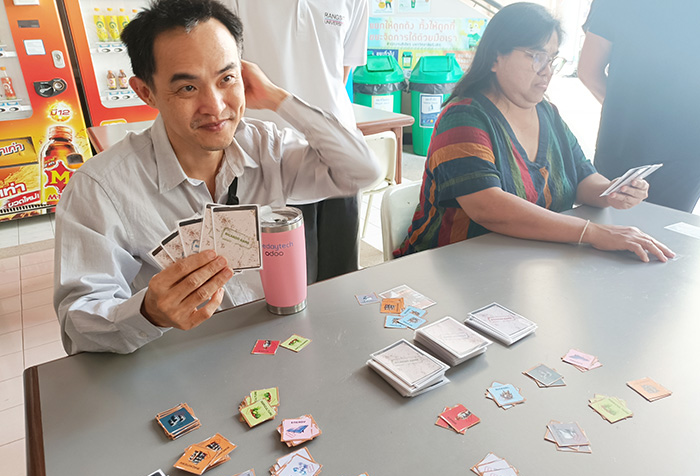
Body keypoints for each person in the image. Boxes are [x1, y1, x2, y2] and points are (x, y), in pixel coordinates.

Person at [53, 0, 381, 355]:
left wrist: (277, 98)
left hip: (269, 347)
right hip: (177, 363)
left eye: (226, 79)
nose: (216, 106)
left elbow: (363, 170)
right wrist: (147, 313)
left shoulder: (265, 147)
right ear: (146, 91)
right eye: (187, 88)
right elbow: (77, 325)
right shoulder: (100, 189)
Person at [394, 2, 674, 263]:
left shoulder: (547, 113)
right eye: (536, 57)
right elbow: (487, 206)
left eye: (552, 59)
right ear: (495, 58)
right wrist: (591, 232)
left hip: (527, 262)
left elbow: (582, 176)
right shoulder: (463, 118)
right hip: (452, 265)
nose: (547, 71)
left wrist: (612, 192)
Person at [227, 0, 370, 284]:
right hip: (267, 165)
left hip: (338, 157)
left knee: (341, 282)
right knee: (280, 290)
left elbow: (339, 74)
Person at [578, 0, 700, 213]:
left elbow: (588, 70)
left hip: (679, 149)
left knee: (621, 226)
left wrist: (627, 112)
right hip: (631, 145)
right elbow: (588, 70)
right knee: (617, 223)